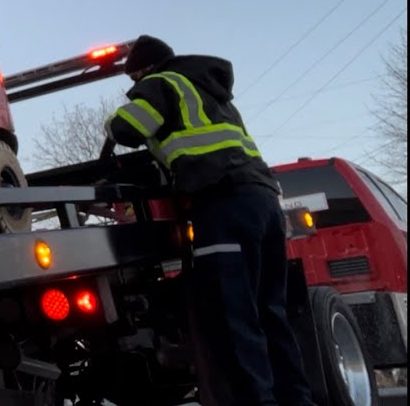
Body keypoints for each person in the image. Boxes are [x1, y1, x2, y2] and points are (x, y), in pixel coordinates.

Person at [104, 35, 313, 406]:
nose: (133, 86)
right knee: (270, 313)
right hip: (263, 200)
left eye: (132, 78)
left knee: (234, 317)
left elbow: (128, 128)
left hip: (222, 204)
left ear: (143, 69)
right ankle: (297, 401)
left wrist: (110, 128)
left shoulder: (160, 82)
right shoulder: (211, 91)